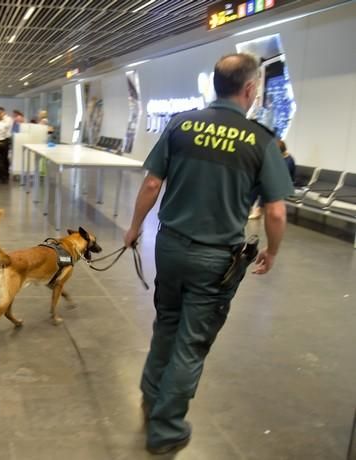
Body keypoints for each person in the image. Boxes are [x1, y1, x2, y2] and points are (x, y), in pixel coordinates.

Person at [122, 53, 293, 455]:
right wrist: (273, 251)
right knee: (192, 341)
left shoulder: (181, 125)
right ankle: (165, 429)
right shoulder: (261, 139)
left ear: (215, 84)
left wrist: (133, 228)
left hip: (169, 246)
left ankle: (151, 396)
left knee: (166, 321)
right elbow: (276, 210)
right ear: (249, 89)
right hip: (216, 260)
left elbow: (151, 185)